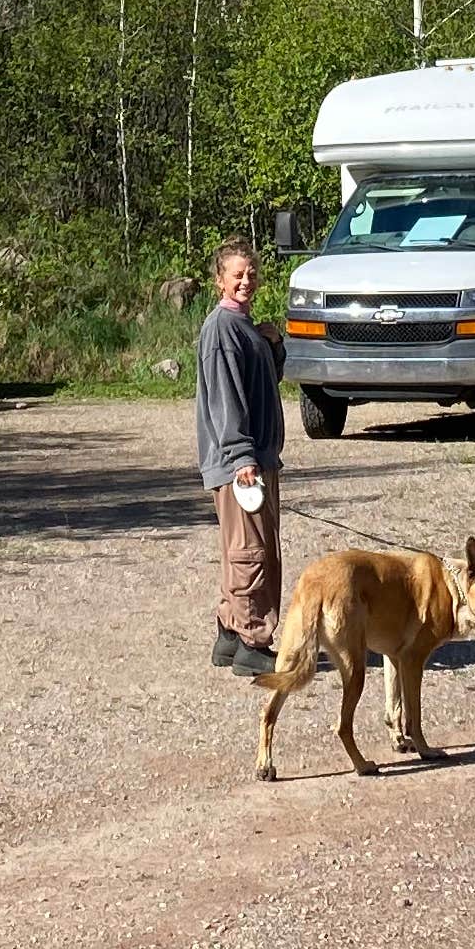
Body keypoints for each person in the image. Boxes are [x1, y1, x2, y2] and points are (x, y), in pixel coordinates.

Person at [194, 239, 285, 676]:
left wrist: (274, 344)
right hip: (241, 463)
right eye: (237, 274)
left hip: (256, 457)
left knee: (242, 549)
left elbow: (264, 382)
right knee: (251, 552)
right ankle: (252, 641)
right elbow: (225, 398)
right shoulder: (222, 330)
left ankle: (230, 635)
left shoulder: (245, 327)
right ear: (220, 280)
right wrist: (241, 456)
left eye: (251, 273)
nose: (246, 281)